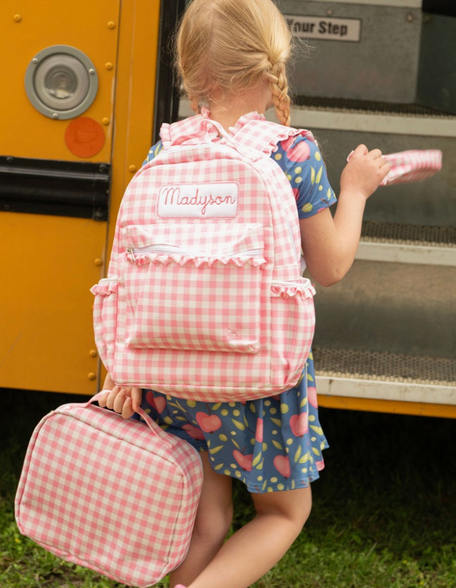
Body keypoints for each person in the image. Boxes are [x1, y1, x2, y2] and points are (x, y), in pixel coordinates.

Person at [99, 1, 391, 587]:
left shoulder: (168, 149)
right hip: (259, 379)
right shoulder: (292, 152)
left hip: (171, 370)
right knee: (285, 512)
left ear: (189, 71)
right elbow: (330, 266)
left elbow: (137, 267)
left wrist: (122, 365)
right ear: (271, 63)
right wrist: (356, 190)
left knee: (206, 523)